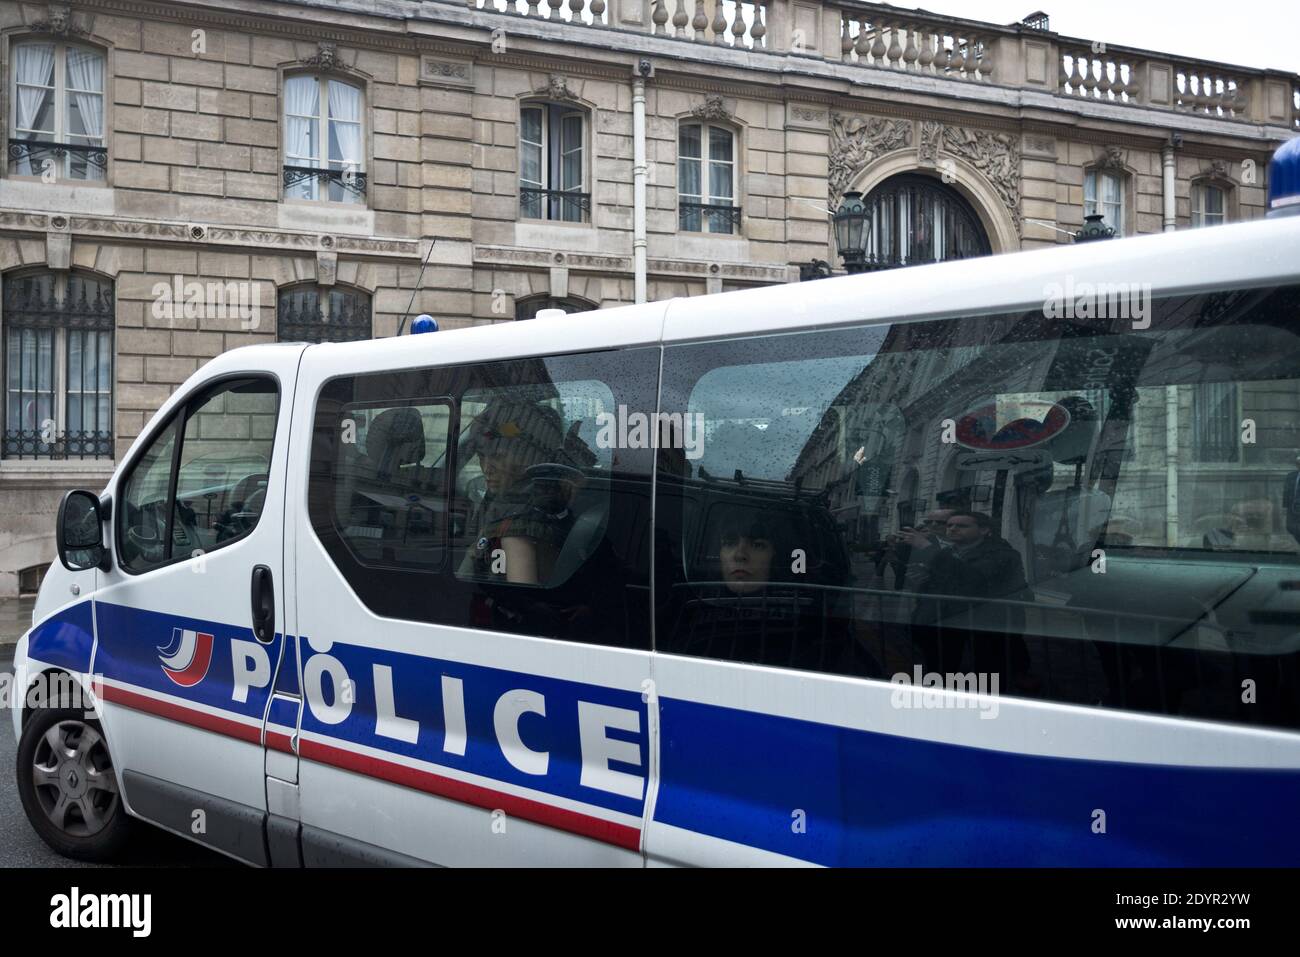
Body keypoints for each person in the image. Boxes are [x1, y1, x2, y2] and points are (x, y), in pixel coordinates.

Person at [668, 506, 880, 677]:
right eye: (730, 543)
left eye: (757, 545)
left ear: (776, 557)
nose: (740, 555)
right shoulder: (691, 605)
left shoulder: (809, 620)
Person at [901, 510, 1035, 690]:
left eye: (962, 526)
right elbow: (939, 585)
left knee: (988, 674)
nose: (953, 529)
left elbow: (975, 580)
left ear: (984, 530)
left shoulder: (1003, 553)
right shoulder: (949, 551)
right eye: (949, 525)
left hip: (986, 624)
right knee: (941, 670)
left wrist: (928, 549)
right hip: (947, 621)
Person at [459, 397, 574, 586]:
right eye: (481, 456)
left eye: (497, 457)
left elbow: (522, 593)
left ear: (526, 459)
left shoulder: (516, 521)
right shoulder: (542, 504)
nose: (486, 468)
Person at [1283, 456, 1300, 547]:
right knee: (1289, 527)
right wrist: (1285, 507)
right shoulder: (1291, 476)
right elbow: (1286, 491)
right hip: (1292, 507)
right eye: (1298, 463)